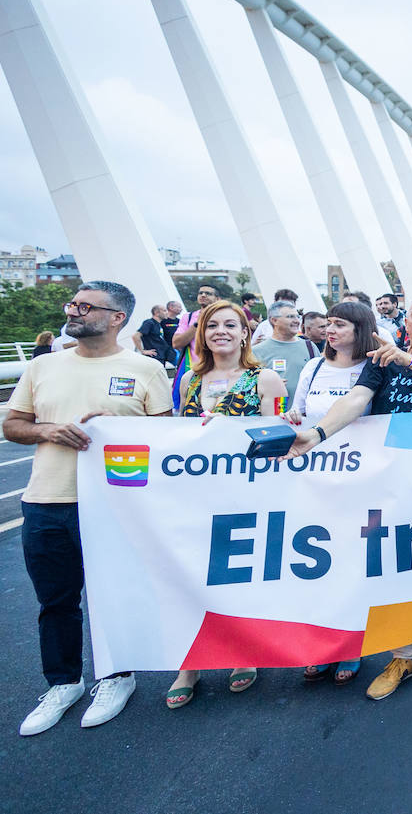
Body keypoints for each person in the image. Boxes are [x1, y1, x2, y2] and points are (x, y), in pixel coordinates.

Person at [285, 295, 412, 708]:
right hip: (386, 483)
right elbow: (355, 400)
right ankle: (404, 657)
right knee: (391, 568)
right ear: (405, 321)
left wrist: (405, 359)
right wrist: (316, 435)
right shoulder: (379, 362)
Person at [6, 282, 172, 736]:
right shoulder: (43, 366)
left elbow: (166, 437)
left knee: (111, 594)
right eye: (72, 305)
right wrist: (49, 431)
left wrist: (118, 430)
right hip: (46, 501)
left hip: (115, 504)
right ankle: (62, 683)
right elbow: (13, 425)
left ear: (117, 317)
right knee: (55, 600)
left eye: (85, 306)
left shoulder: (145, 369)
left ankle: (117, 676)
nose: (73, 311)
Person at [167, 300, 288, 708]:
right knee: (191, 575)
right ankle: (191, 663)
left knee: (237, 575)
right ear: (202, 334)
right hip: (198, 494)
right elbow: (175, 441)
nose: (220, 331)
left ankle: (242, 652)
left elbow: (278, 437)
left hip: (246, 493)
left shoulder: (265, 380)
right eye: (212, 324)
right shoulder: (189, 383)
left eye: (230, 324)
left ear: (244, 333)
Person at [283, 301, 379, 685]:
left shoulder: (374, 367)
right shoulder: (313, 367)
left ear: (360, 328)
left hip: (359, 479)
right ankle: (321, 645)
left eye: (340, 324)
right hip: (314, 477)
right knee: (315, 564)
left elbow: (360, 407)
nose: (330, 330)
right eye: (328, 324)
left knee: (353, 563)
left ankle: (352, 645)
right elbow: (298, 410)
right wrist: (293, 419)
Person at [252, 300, 317, 402]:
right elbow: (246, 390)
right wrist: (264, 386)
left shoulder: (310, 347)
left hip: (304, 415)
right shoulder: (256, 352)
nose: (297, 321)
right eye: (290, 317)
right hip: (272, 415)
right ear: (274, 320)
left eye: (297, 316)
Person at [171, 283, 221, 364]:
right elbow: (176, 343)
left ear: (217, 299)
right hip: (194, 369)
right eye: (200, 293)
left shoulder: (225, 317)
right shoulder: (188, 317)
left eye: (208, 293)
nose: (203, 295)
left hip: (219, 367)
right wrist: (198, 323)